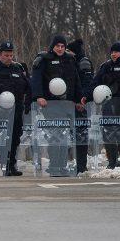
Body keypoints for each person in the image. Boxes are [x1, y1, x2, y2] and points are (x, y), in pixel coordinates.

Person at [31, 34, 82, 175]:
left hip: (67, 104)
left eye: (62, 46)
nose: (60, 49)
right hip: (50, 104)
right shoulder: (43, 59)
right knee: (54, 135)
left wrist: (78, 99)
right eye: (57, 46)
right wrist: (39, 96)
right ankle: (54, 165)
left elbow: (75, 80)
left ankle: (62, 165)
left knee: (65, 136)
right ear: (52, 46)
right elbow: (36, 79)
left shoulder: (70, 59)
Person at [0, 41, 32, 175]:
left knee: (15, 137)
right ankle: (4, 165)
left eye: (11, 55)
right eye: (6, 55)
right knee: (4, 137)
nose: (9, 58)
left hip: (17, 109)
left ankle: (12, 165)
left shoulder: (17, 68)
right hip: (0, 110)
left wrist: (28, 102)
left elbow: (27, 86)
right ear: (0, 55)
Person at [67, 38, 95, 173]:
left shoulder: (83, 63)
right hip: (71, 105)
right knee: (72, 136)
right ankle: (74, 164)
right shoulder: (72, 63)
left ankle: (81, 165)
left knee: (81, 136)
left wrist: (81, 100)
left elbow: (88, 83)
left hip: (81, 106)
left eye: (69, 51)